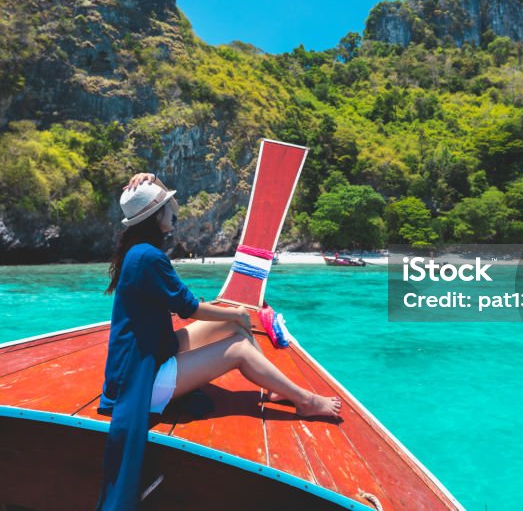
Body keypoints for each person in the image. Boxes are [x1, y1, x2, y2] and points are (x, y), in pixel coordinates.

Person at [96, 172, 341, 510]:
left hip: (146, 354)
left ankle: (270, 386)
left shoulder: (137, 250)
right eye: (169, 204)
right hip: (142, 379)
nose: (175, 207)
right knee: (238, 344)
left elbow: (188, 306)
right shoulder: (150, 258)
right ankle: (305, 400)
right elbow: (188, 308)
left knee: (232, 326)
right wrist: (238, 314)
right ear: (156, 216)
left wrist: (155, 181)